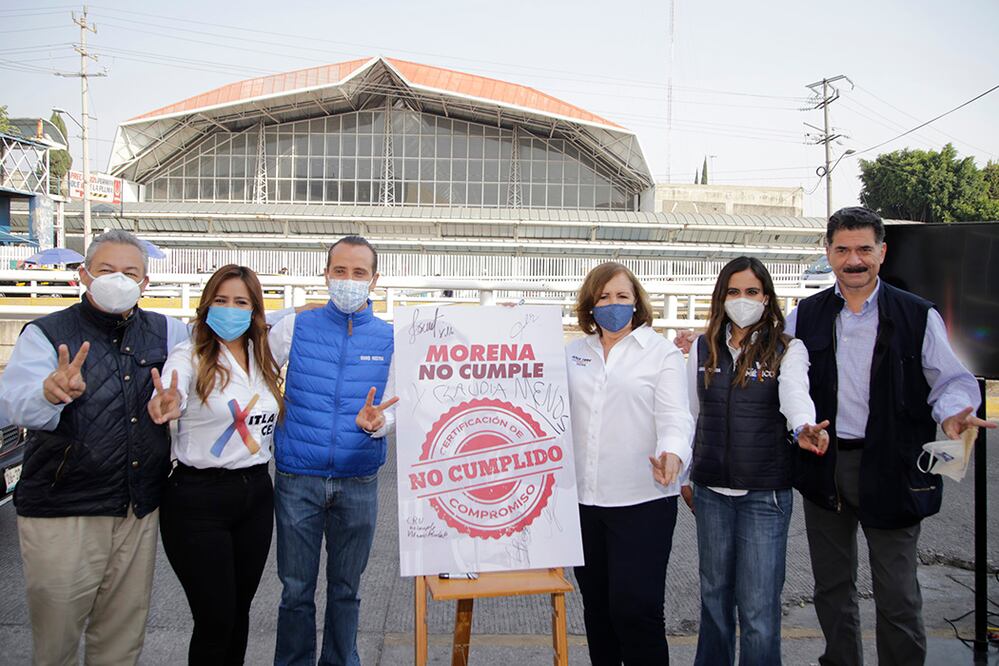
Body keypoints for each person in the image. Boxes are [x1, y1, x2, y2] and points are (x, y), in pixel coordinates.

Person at [788, 207, 995, 665]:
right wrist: (695, 345)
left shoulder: (918, 315)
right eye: (842, 249)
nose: (853, 259)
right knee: (832, 587)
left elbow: (951, 381)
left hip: (894, 467)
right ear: (828, 253)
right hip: (826, 465)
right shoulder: (805, 317)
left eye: (864, 248)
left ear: (882, 252)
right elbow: (775, 370)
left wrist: (953, 416)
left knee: (897, 592)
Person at [0, 229, 190, 665]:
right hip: (64, 507)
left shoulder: (167, 330)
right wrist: (48, 393)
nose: (118, 279)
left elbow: (188, 391)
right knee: (58, 636)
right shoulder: (48, 333)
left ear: (145, 282)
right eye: (106, 270)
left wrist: (177, 405)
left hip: (135, 508)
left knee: (122, 633)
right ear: (84, 274)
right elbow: (13, 404)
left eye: (130, 272)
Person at [679, 256, 829, 666]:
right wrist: (686, 476)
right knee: (714, 599)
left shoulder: (787, 348)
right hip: (711, 493)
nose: (742, 299)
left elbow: (795, 395)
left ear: (766, 297)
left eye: (752, 292)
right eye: (733, 292)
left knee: (759, 608)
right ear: (721, 297)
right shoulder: (701, 346)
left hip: (765, 496)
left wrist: (805, 427)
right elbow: (689, 415)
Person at [268, 235, 398, 666]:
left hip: (357, 480)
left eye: (359, 273)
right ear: (326, 275)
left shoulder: (389, 338)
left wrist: (380, 425)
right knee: (296, 591)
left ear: (374, 281)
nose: (348, 280)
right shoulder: (294, 327)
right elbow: (252, 368)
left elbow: (397, 406)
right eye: (340, 271)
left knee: (347, 591)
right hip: (297, 479)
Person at [146, 265, 284, 665]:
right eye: (220, 301)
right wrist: (166, 403)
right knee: (215, 619)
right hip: (197, 500)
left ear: (255, 310)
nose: (230, 309)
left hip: (256, 495)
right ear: (207, 305)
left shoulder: (263, 354)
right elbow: (171, 388)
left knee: (238, 613)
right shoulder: (190, 353)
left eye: (241, 302)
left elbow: (294, 314)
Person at [565, 261, 694, 666]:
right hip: (584, 503)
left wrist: (673, 454)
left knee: (636, 610)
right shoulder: (572, 353)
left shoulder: (661, 354)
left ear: (637, 303)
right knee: (598, 611)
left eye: (622, 296)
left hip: (644, 500)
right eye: (603, 297)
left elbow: (676, 416)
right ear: (590, 304)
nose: (613, 304)